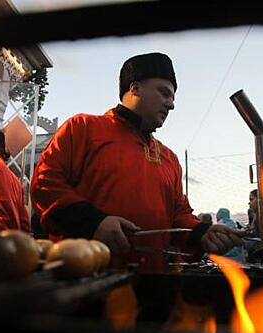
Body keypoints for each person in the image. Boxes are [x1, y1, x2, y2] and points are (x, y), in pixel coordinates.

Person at [30, 52, 243, 271]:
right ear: (135, 88)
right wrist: (93, 222)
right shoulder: (83, 128)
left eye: (172, 98)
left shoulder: (169, 158)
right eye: (164, 93)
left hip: (153, 283)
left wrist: (202, 232)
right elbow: (45, 184)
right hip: (85, 279)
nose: (171, 105)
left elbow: (179, 215)